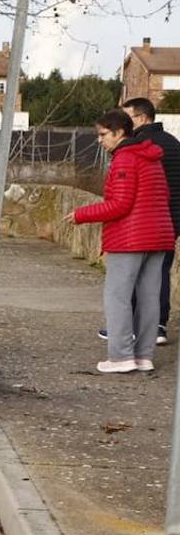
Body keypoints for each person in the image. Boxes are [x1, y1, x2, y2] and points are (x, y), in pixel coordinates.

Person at [69, 109, 174, 373]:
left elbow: (120, 205)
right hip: (159, 235)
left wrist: (81, 214)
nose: (100, 140)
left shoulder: (125, 159)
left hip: (130, 238)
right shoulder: (151, 157)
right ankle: (143, 356)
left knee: (118, 297)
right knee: (149, 298)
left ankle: (121, 356)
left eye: (103, 134)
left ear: (119, 132)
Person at [122, 97, 180, 344]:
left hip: (144, 221)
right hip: (173, 221)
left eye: (128, 118)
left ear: (142, 118)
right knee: (160, 272)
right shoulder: (175, 144)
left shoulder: (137, 145)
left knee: (132, 273)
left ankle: (133, 326)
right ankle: (158, 326)